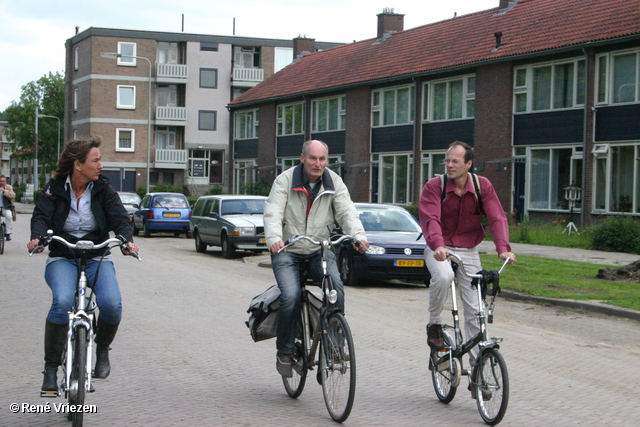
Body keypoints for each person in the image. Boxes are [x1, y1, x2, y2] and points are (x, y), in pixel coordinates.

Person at [27, 137, 139, 393]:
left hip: (97, 257)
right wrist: (38, 238)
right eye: (96, 160)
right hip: (63, 257)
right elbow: (41, 216)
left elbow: (120, 218)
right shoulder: (54, 188)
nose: (101, 165)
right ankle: (51, 369)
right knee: (62, 302)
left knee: (112, 304)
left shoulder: (103, 189)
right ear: (78, 164)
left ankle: (101, 350)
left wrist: (126, 241)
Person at [264, 139, 369, 377]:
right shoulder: (285, 180)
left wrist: (359, 237)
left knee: (336, 289)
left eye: (322, 159)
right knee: (290, 295)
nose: (318, 163)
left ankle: (334, 346)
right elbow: (273, 212)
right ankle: (285, 351)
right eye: (313, 158)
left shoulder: (334, 182)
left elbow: (346, 212)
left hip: (318, 250)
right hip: (287, 250)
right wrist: (274, 238)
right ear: (302, 158)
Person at [418, 141, 515, 398]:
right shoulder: (434, 186)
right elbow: (430, 219)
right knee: (444, 275)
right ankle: (435, 326)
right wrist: (438, 245)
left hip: (469, 250)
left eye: (455, 161)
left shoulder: (483, 186)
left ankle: (477, 374)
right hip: (438, 247)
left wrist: (503, 248)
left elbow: (496, 216)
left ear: (468, 164)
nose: (449, 165)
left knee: (475, 312)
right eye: (447, 160)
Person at [0, 175, 16, 241]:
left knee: (9, 216)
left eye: (3, 181)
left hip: (5, 207)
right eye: (0, 181)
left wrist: (4, 191)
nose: (2, 182)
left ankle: (8, 233)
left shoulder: (8, 187)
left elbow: (13, 196)